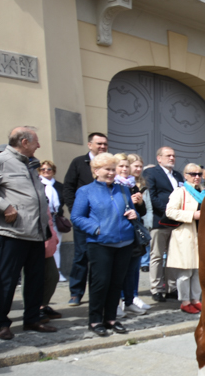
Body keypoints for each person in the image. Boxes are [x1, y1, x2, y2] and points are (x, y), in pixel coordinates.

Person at [0, 126, 56, 339]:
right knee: (6, 280)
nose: (39, 145)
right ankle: (0, 324)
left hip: (36, 232)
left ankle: (32, 319)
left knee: (35, 280)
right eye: (36, 141)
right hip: (12, 233)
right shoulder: (2, 160)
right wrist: (5, 206)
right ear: (24, 142)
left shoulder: (31, 163)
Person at [71, 153, 138, 337]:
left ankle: (110, 318)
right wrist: (96, 229)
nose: (111, 173)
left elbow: (131, 211)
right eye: (107, 169)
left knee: (117, 283)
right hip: (100, 243)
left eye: (112, 169)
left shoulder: (123, 190)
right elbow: (76, 217)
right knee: (100, 283)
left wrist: (134, 214)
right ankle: (94, 320)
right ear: (95, 171)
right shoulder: (86, 191)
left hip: (124, 242)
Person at [63, 132, 107, 306]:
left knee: (101, 258)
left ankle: (98, 293)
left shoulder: (111, 164)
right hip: (84, 220)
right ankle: (76, 293)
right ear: (90, 145)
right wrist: (75, 212)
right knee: (81, 256)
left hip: (104, 221)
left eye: (105, 144)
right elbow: (68, 187)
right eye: (99, 144)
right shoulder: (78, 162)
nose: (102, 147)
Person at [144, 147, 184, 302]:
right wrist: (169, 211)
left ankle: (171, 288)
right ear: (159, 158)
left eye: (174, 155)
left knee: (173, 256)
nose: (172, 158)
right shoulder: (151, 173)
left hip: (176, 222)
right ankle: (156, 289)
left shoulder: (177, 175)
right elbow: (151, 196)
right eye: (168, 155)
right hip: (160, 220)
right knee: (157, 256)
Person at [165, 163, 204, 314]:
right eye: (193, 174)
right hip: (185, 234)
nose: (197, 177)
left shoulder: (203, 191)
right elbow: (170, 212)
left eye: (199, 174)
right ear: (186, 175)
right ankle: (185, 301)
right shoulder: (180, 192)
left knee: (197, 271)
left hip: (200, 235)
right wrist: (192, 215)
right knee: (185, 272)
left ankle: (195, 299)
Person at [114, 154, 149, 317]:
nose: (124, 169)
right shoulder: (113, 185)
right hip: (117, 232)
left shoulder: (132, 185)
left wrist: (139, 203)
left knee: (133, 268)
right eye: (121, 166)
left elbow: (142, 212)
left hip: (134, 232)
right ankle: (118, 300)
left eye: (126, 166)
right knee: (118, 269)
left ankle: (131, 298)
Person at [38, 160, 66, 283]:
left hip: (56, 219)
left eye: (48, 169)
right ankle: (42, 272)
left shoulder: (59, 186)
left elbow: (63, 199)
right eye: (43, 169)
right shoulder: (38, 184)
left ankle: (57, 271)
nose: (46, 171)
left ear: (53, 171)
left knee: (56, 245)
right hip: (42, 219)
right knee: (42, 246)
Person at [128, 154, 151, 278]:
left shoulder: (141, 183)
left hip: (138, 224)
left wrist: (141, 202)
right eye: (136, 166)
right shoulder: (122, 183)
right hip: (126, 225)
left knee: (135, 263)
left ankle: (133, 294)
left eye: (140, 167)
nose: (138, 169)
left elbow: (143, 211)